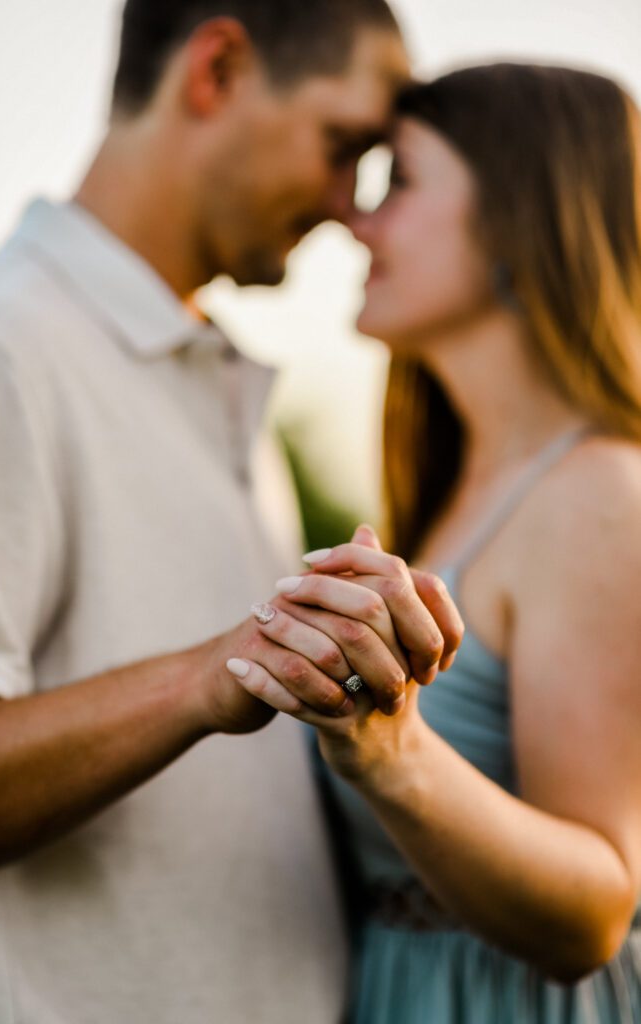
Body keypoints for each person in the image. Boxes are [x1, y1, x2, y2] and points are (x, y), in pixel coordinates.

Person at [0, 4, 465, 1022]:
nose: (345, 207)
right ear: (217, 68)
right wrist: (216, 671)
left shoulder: (213, 374)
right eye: (342, 147)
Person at [238, 64, 641, 1021]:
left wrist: (390, 754)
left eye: (398, 183)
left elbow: (595, 909)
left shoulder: (597, 498)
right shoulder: (453, 495)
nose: (354, 222)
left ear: (514, 217)